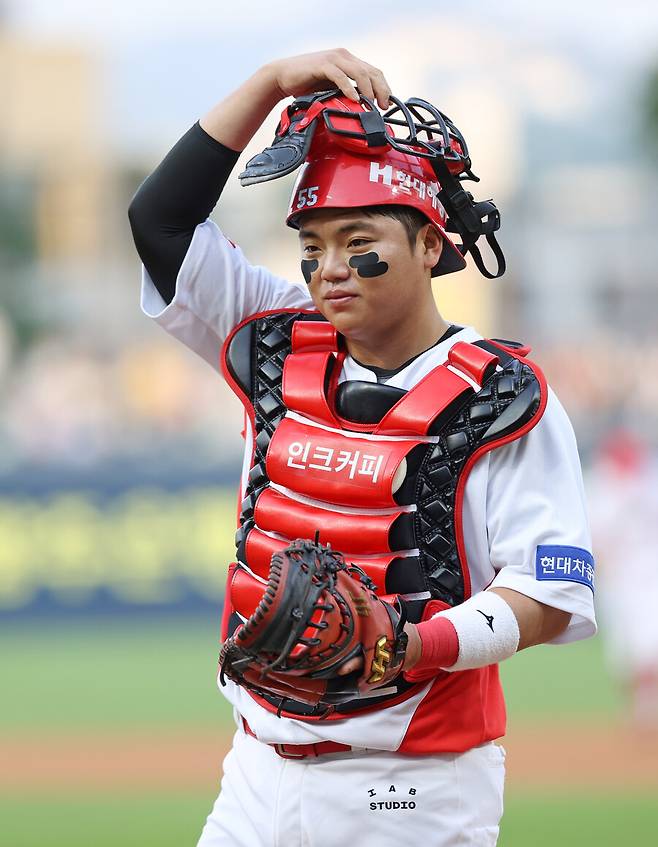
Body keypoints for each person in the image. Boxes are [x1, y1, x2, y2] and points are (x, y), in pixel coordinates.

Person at [128, 48, 597, 847]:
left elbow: (551, 595)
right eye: (312, 245)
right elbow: (159, 223)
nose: (330, 268)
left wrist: (414, 643)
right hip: (255, 773)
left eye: (358, 240)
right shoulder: (273, 339)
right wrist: (270, 83)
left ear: (429, 245)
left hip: (413, 787)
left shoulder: (501, 396)